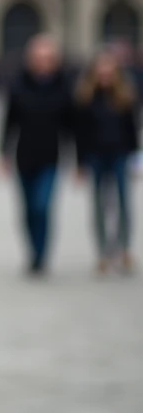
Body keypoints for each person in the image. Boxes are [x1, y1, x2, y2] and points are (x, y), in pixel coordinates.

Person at [0, 34, 73, 275]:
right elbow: (8, 122)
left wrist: (81, 160)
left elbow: (73, 127)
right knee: (28, 209)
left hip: (51, 157)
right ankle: (32, 251)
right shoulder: (19, 84)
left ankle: (42, 255)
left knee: (42, 206)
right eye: (39, 57)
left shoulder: (64, 87)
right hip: (24, 156)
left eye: (48, 58)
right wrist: (2, 154)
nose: (43, 62)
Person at [73, 49, 138, 275]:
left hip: (120, 154)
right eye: (101, 70)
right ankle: (102, 250)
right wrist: (79, 162)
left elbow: (132, 131)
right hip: (95, 155)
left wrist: (136, 159)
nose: (105, 74)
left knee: (123, 203)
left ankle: (123, 248)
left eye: (109, 70)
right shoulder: (86, 98)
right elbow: (79, 134)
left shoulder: (125, 97)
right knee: (99, 205)